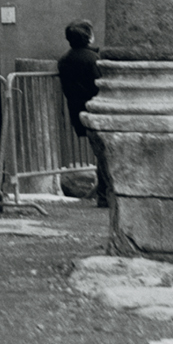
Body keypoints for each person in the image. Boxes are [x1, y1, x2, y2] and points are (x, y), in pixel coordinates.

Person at [56, 19, 111, 211]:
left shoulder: (64, 60)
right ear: (88, 36)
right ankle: (105, 196)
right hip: (97, 110)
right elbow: (99, 84)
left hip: (78, 110)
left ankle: (104, 195)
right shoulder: (93, 59)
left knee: (101, 153)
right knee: (105, 154)